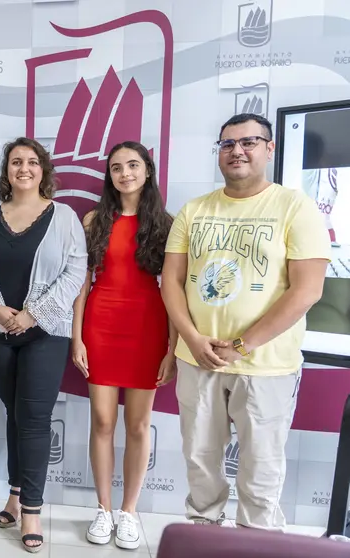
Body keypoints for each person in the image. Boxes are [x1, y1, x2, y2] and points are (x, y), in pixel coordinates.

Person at [161, 113, 331, 530]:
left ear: (269, 149)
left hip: (266, 366)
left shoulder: (295, 207)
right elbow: (172, 281)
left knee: (260, 473)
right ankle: (201, 539)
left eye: (249, 142)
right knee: (200, 464)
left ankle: (257, 544)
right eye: (227, 144)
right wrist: (193, 338)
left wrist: (242, 345)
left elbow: (307, 290)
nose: (237, 150)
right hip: (197, 358)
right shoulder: (194, 210)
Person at [0, 137, 87, 553]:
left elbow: (76, 273)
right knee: (14, 412)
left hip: (45, 333)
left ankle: (31, 510)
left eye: (32, 162)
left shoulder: (65, 216)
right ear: (7, 171)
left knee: (34, 419)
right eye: (16, 162)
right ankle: (15, 494)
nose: (24, 168)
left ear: (43, 170)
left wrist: (32, 315)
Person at [70, 141, 177, 550]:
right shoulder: (94, 219)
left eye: (133, 165)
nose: (125, 173)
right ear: (109, 176)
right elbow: (82, 282)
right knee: (101, 421)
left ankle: (129, 512)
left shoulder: (166, 224)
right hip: (100, 323)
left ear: (147, 171)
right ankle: (104, 508)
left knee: (137, 425)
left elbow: (174, 289)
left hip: (147, 327)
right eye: (116, 167)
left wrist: (171, 347)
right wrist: (77, 335)